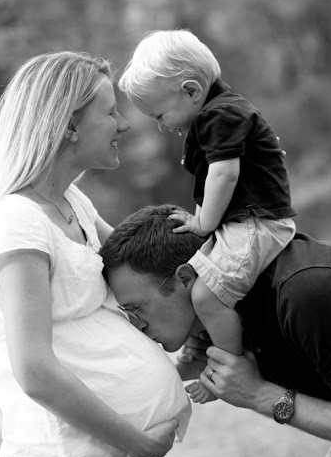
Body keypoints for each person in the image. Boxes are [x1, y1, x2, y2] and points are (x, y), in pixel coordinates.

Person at [0, 53, 191, 457]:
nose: (124, 124)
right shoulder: (16, 222)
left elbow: (140, 269)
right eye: (110, 111)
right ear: (67, 124)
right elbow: (35, 372)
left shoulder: (72, 204)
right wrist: (137, 442)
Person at [100, 203, 331, 457]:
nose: (136, 324)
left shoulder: (307, 296)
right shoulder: (224, 311)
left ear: (185, 278)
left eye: (136, 308)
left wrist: (261, 396)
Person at [118, 29, 296, 398]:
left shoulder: (222, 115)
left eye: (160, 114)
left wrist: (203, 223)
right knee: (194, 278)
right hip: (243, 222)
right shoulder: (212, 118)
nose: (162, 125)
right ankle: (199, 353)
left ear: (191, 91)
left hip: (258, 222)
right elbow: (208, 182)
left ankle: (227, 371)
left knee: (207, 295)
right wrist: (200, 224)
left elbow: (224, 175)